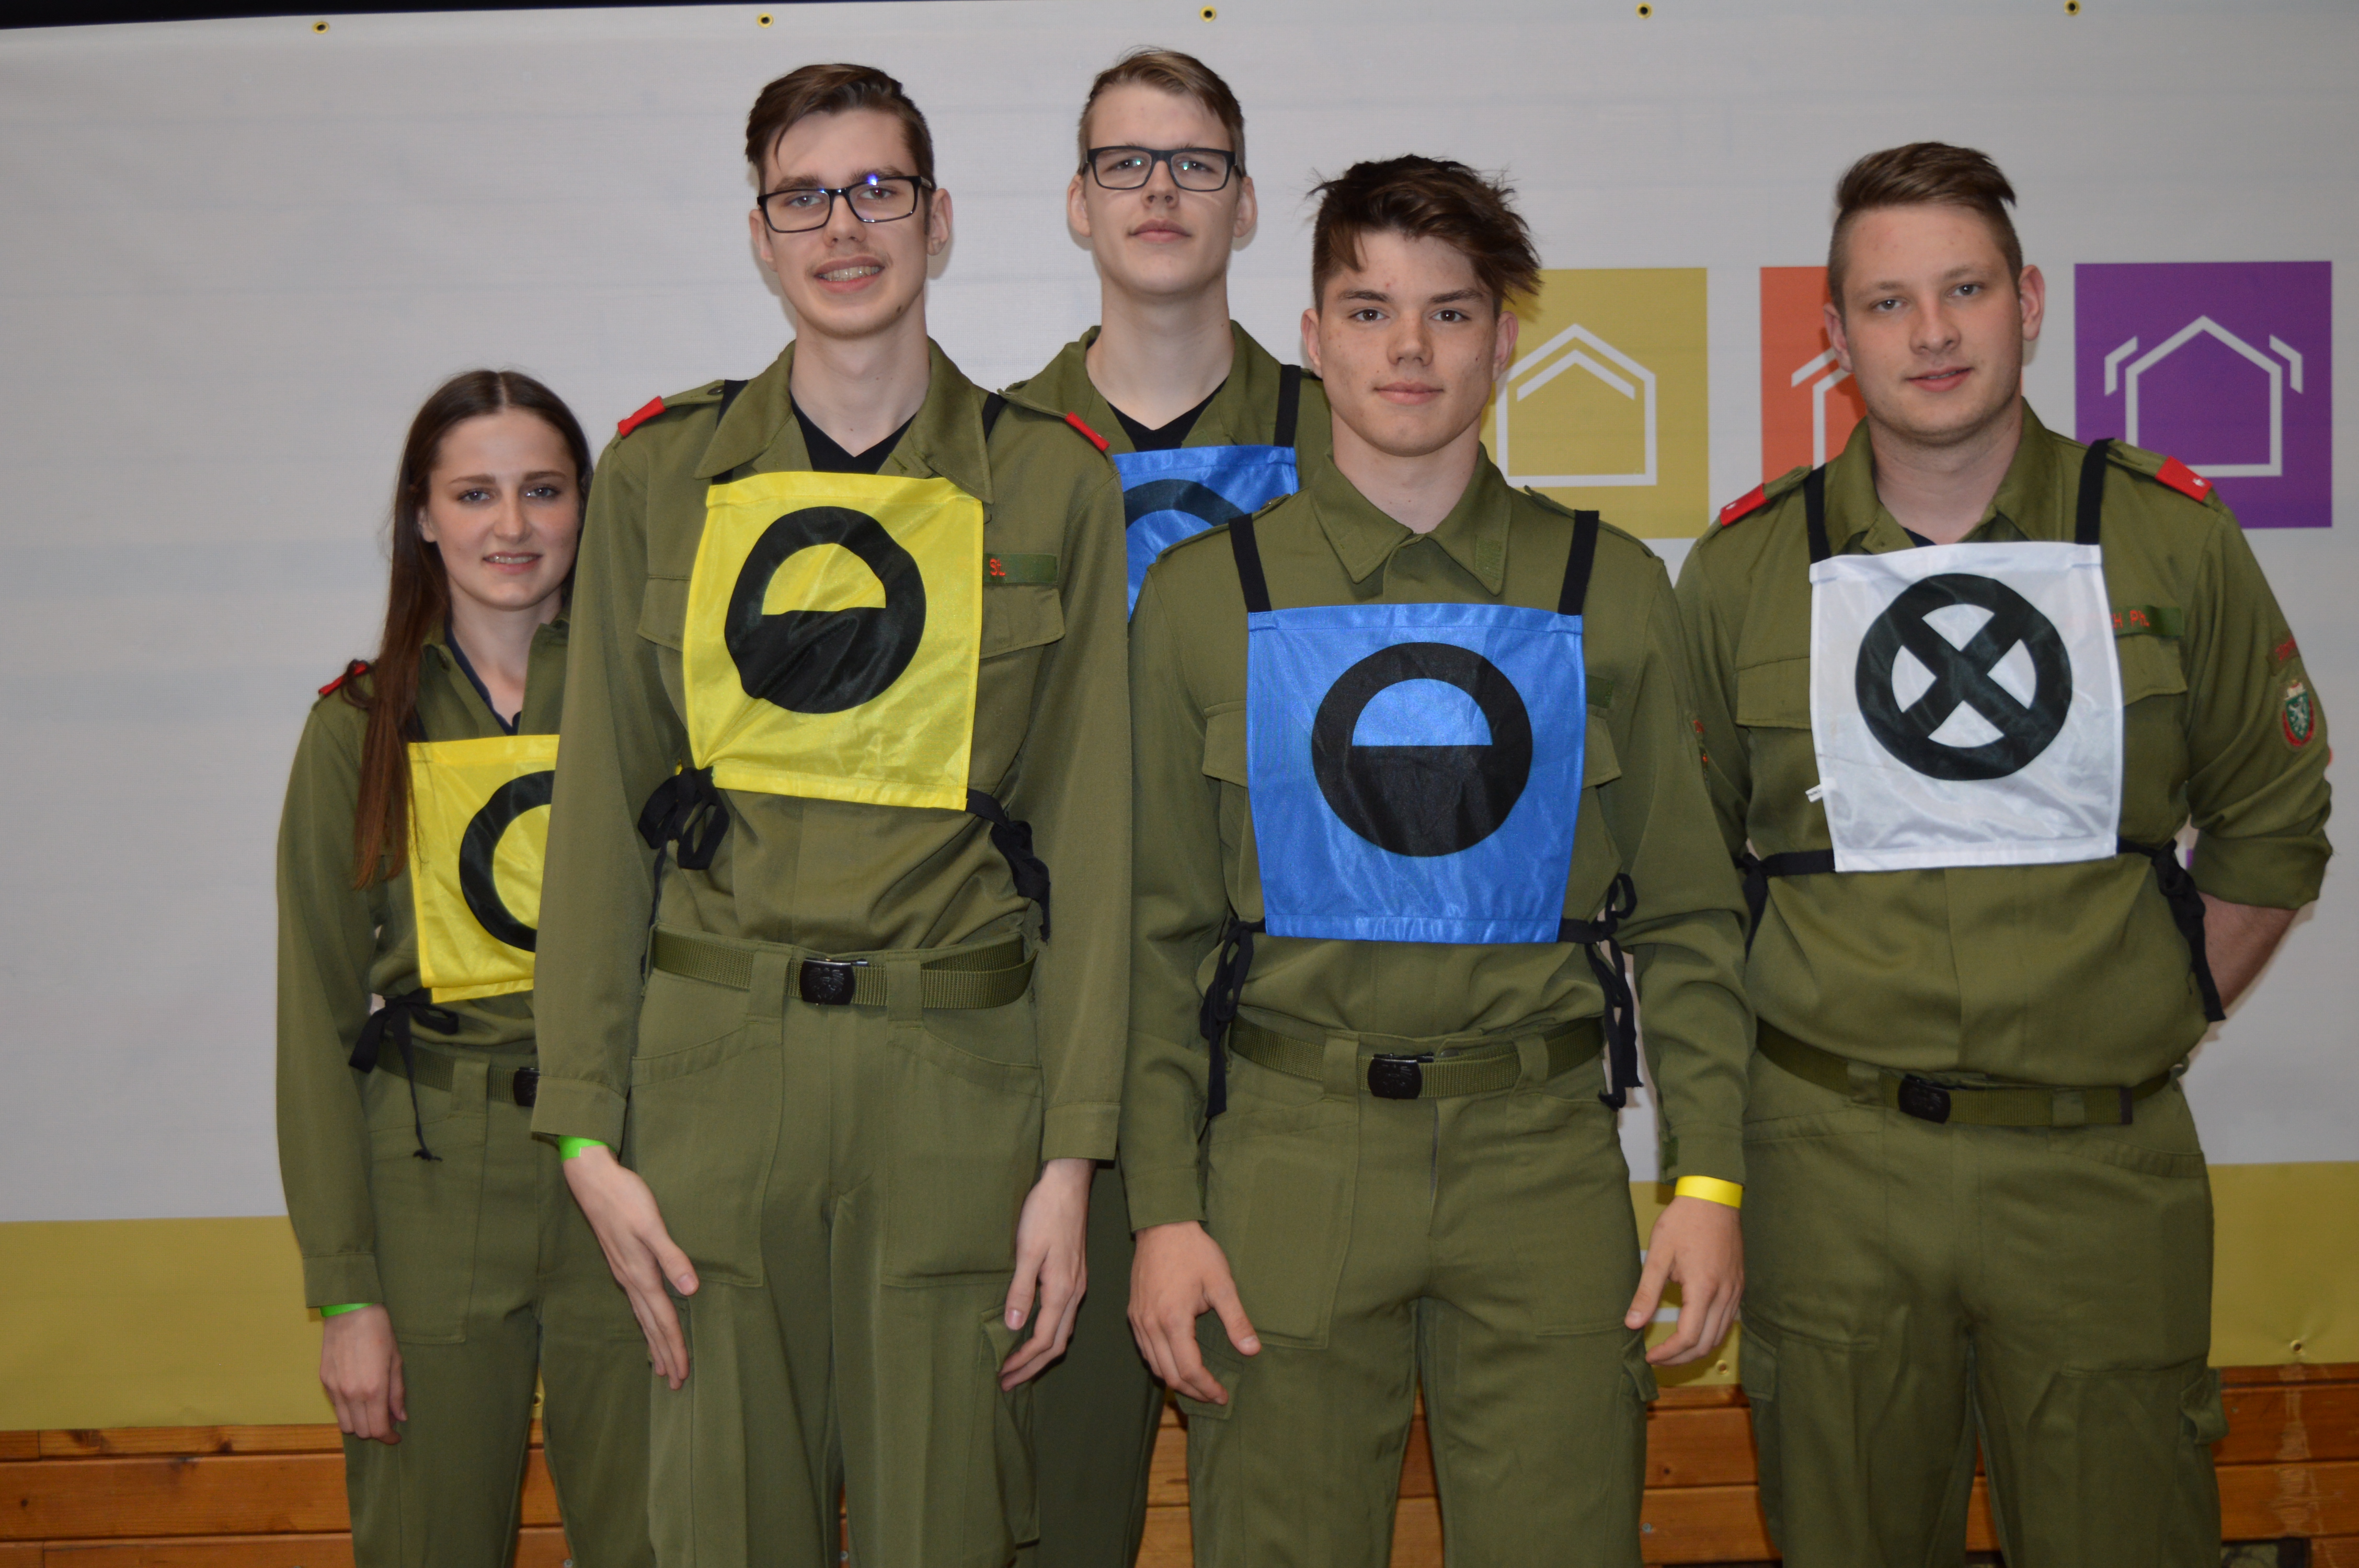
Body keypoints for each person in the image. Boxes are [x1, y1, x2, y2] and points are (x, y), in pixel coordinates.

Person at [1678, 143, 2333, 1568]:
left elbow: (2276, 825)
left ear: (2028, 304)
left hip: (2100, 1170)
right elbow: (1690, 885)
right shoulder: (1740, 574)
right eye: (1890, 302)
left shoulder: (2171, 539)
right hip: (1833, 1171)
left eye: (1965, 290)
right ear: (1835, 333)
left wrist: (2156, 1003)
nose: (1933, 333)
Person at [529, 64, 1130, 1567]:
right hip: (717, 1081)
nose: (843, 228)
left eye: (878, 190)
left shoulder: (1051, 487)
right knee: (723, 1527)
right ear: (760, 233)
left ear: (939, 220)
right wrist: (585, 1129)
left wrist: (1071, 1157)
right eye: (804, 197)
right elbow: (599, 821)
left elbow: (1093, 841)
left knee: (952, 1525)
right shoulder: (660, 476)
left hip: (958, 1084)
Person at [1123, 155, 1750, 1567]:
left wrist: (1707, 1180)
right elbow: (1156, 939)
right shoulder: (1207, 598)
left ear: (1504, 342)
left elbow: (1691, 918)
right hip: (1287, 1156)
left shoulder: (1610, 589)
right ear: (1312, 337)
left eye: (1450, 313)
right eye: (1370, 311)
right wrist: (1163, 1209)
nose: (1409, 349)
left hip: (1542, 1162)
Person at [998, 48, 1329, 1567]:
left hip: (1281, 1051)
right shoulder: (991, 450)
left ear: (1245, 204)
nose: (1159, 191)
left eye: (1195, 162)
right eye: (1124, 163)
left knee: (1284, 1504)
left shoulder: (1355, 433)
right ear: (1077, 203)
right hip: (1049, 1053)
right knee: (1056, 1514)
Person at [274, 370, 653, 1568]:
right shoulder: (357, 728)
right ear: (423, 517)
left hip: (632, 1165)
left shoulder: (656, 708)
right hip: (430, 1183)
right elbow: (314, 1024)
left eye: (544, 490)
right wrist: (347, 1293)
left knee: (660, 1537)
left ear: (586, 506)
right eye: (476, 494)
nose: (513, 525)